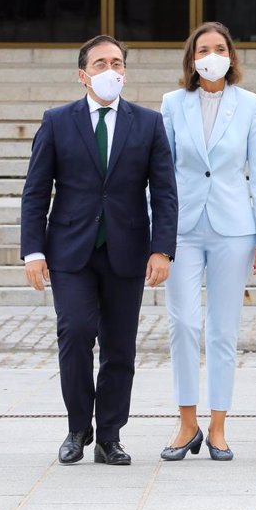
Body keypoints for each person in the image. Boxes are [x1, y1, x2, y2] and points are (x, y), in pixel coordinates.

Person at [21, 35, 178, 466]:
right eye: (101, 63)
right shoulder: (56, 121)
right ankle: (77, 428)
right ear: (83, 75)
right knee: (73, 334)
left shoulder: (148, 123)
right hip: (70, 252)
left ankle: (110, 435)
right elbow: (36, 192)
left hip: (127, 251)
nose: (111, 70)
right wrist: (33, 252)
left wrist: (162, 249)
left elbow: (165, 192)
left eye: (118, 63)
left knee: (120, 347)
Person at [159, 22, 256, 462]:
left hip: (234, 228)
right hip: (183, 228)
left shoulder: (250, 105)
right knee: (184, 323)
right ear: (192, 58)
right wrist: (158, 233)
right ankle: (186, 422)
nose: (212, 54)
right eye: (203, 48)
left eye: (219, 47)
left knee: (223, 330)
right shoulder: (173, 103)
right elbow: (161, 173)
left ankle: (218, 426)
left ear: (231, 55)